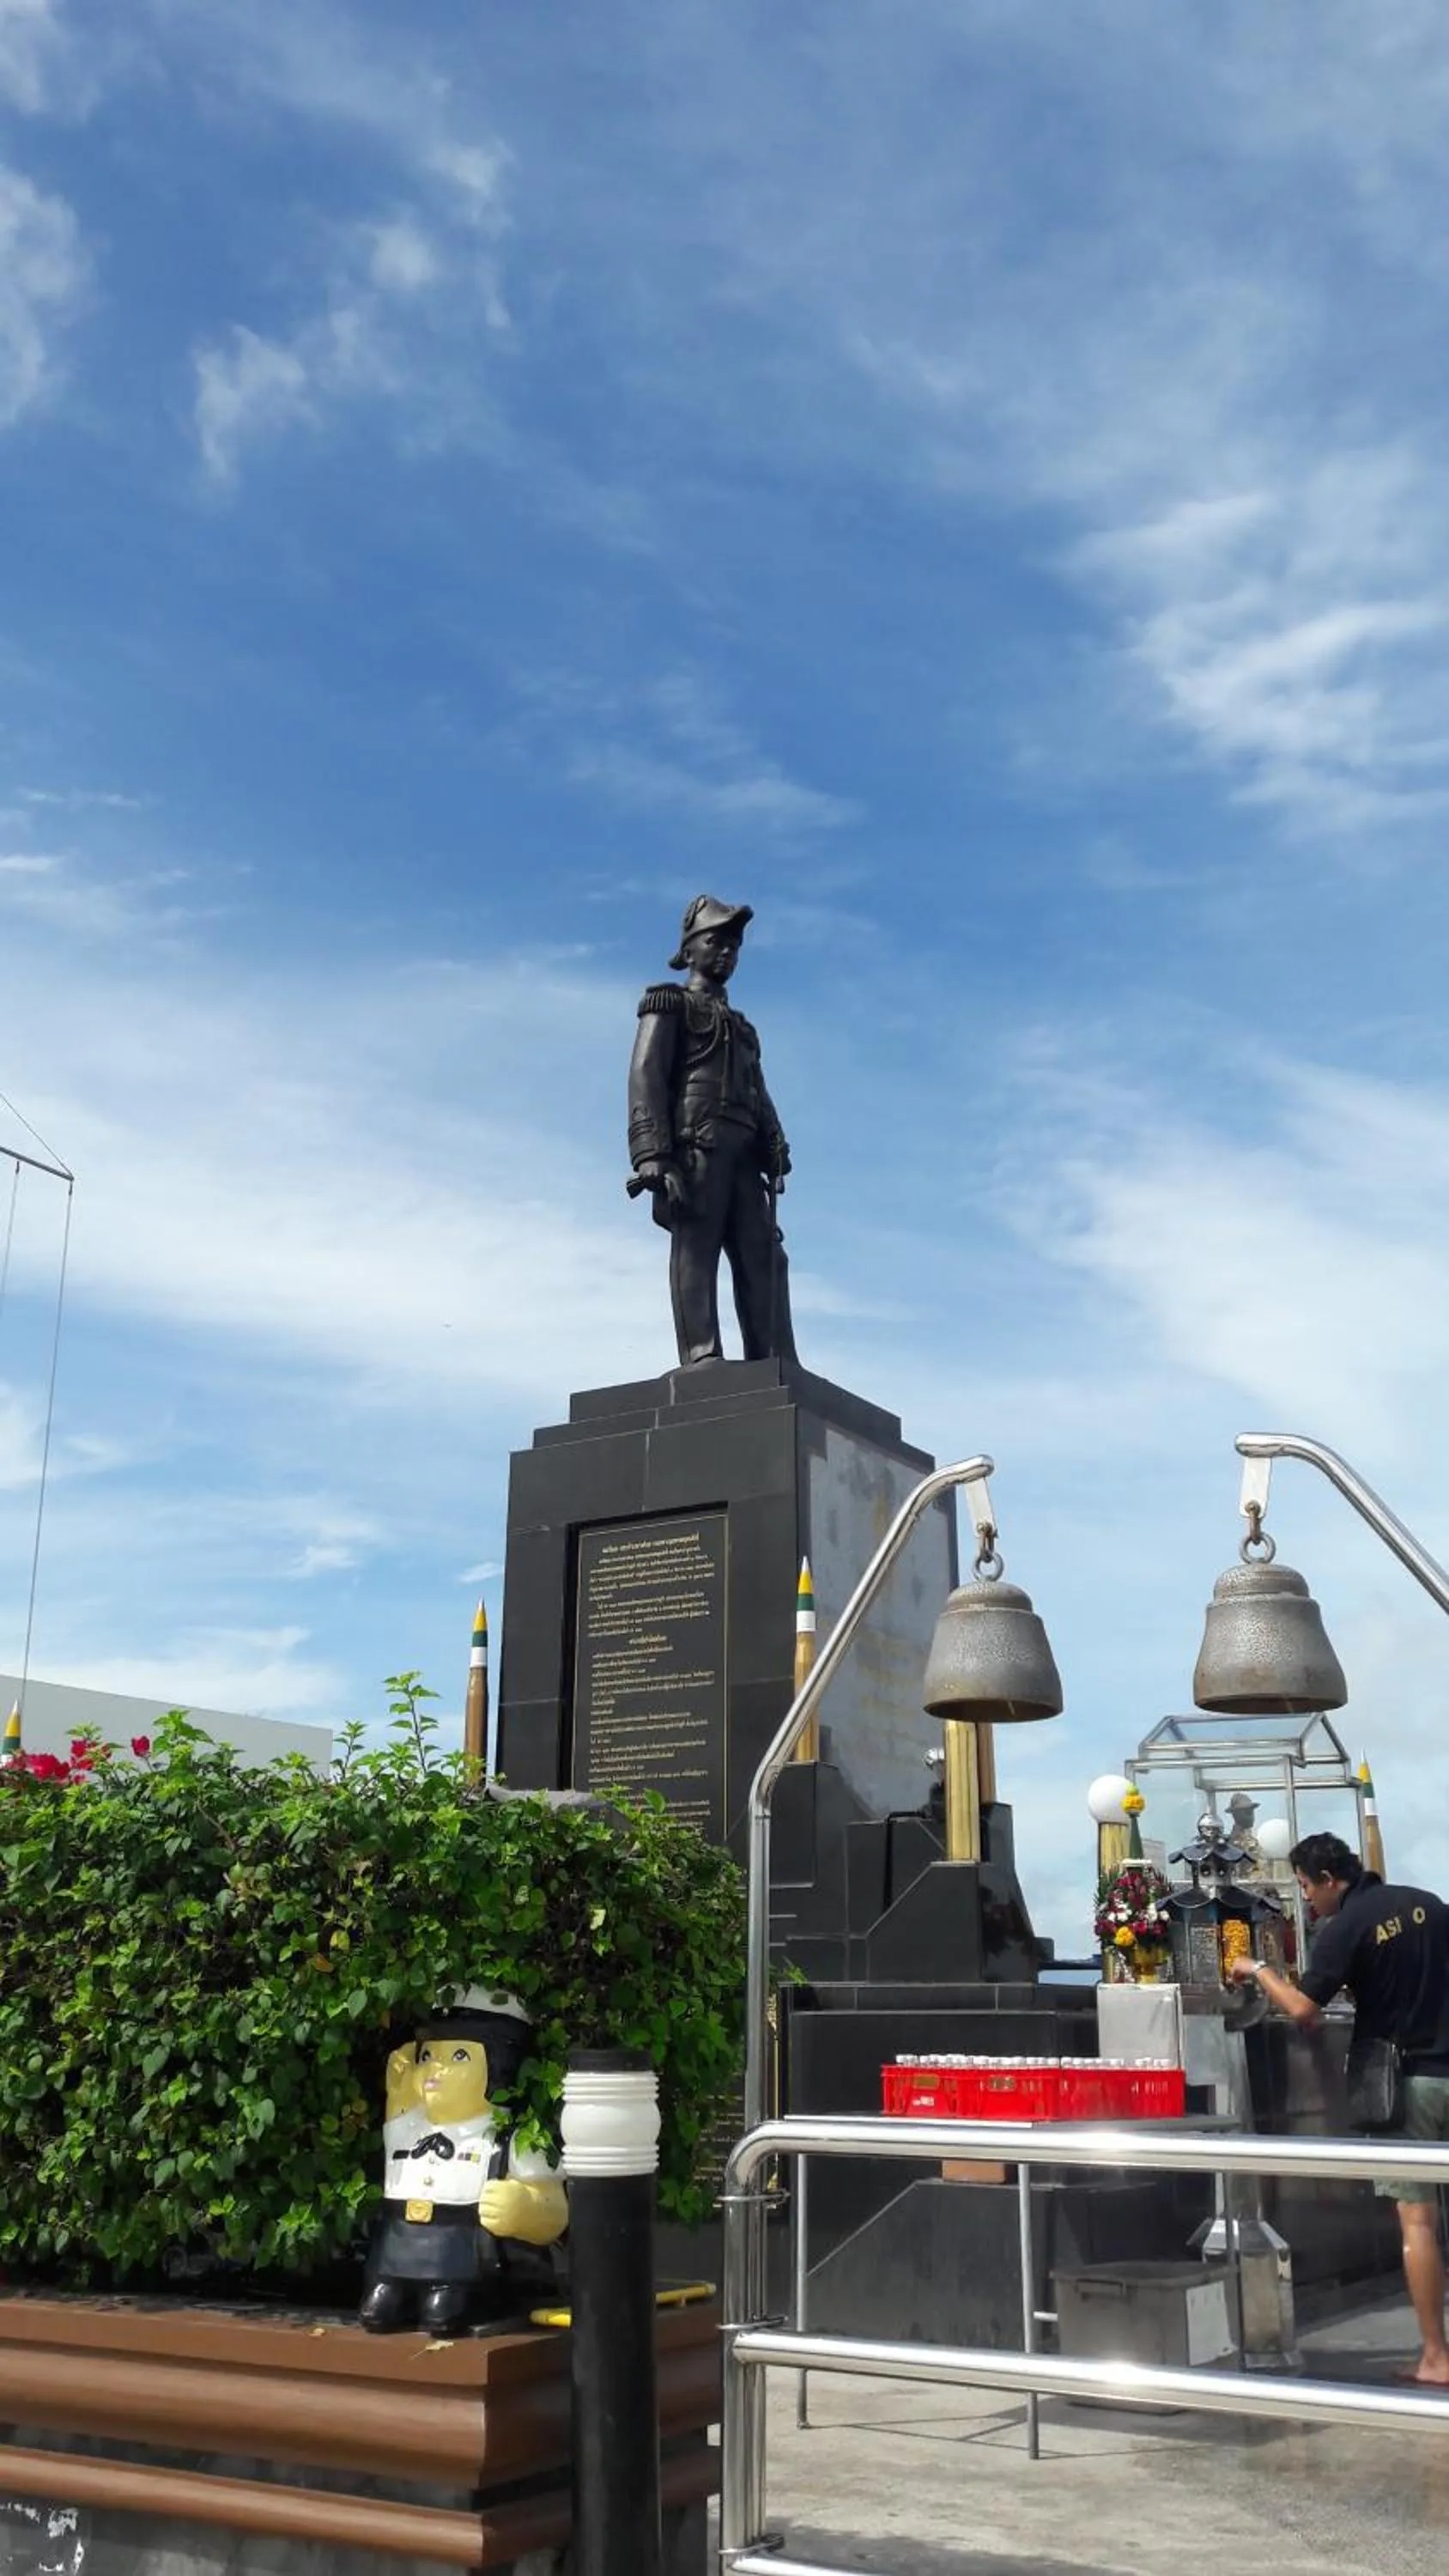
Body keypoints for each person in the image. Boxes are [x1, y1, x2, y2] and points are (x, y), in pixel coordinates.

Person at [1230, 1831, 1449, 2387]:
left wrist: (1257, 1970)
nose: (1306, 1899)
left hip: (1409, 2085)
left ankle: (1435, 2356)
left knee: (1419, 2221)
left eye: (1306, 1887)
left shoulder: (1346, 1927)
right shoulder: (1429, 1904)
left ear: (1329, 1880)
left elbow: (1305, 2009)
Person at [627, 894, 797, 1368]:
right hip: (697, 1147)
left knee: (766, 1256)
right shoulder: (669, 1004)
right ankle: (702, 1354)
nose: (726, 952)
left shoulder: (743, 1030)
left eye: (733, 946)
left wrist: (774, 1141)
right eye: (715, 942)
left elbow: (757, 1090)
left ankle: (772, 1358)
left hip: (743, 1155)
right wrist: (652, 1154)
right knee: (697, 1248)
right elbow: (646, 1075)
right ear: (689, 949)